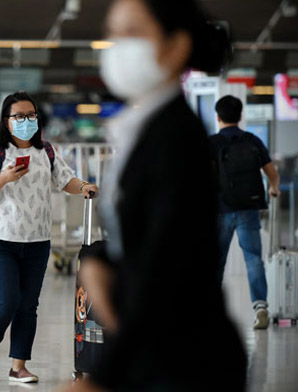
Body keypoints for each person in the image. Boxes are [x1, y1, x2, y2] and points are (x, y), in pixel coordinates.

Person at [67, 0, 247, 391]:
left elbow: (169, 270)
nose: (117, 46)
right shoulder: (144, 128)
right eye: (112, 34)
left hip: (185, 361)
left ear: (175, 47)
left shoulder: (177, 138)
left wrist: (102, 379)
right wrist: (99, 261)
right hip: (158, 349)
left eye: (132, 32)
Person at [0, 91, 98, 384]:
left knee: (28, 304)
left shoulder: (47, 152)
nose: (27, 121)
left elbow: (65, 179)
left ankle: (18, 366)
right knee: (7, 299)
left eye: (31, 115)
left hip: (37, 240)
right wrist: (4, 178)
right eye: (19, 116)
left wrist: (83, 186)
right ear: (6, 121)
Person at [210, 95, 279, 330]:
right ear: (240, 116)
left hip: (220, 209)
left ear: (217, 117)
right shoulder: (253, 140)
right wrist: (274, 188)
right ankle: (260, 306)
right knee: (253, 259)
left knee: (216, 261)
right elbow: (272, 172)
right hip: (248, 209)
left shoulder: (212, 143)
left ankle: (211, 311)